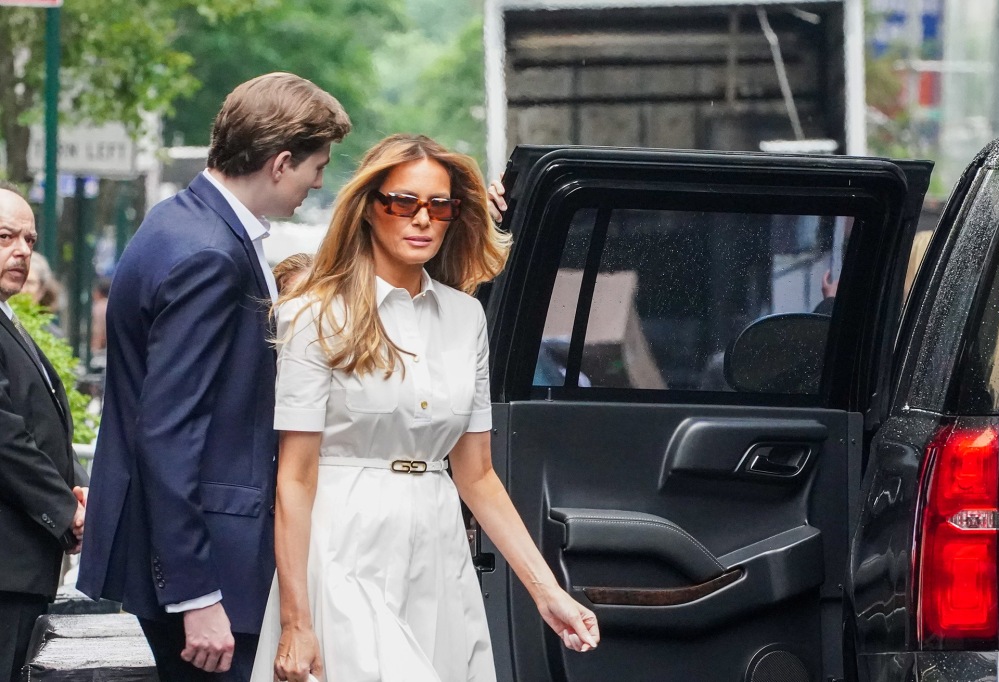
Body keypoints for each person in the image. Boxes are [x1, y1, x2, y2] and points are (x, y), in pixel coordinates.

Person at [252, 134, 599, 682]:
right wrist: (297, 620)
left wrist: (547, 591)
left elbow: (478, 475)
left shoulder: (465, 319)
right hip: (342, 545)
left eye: (440, 205)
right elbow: (293, 479)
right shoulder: (315, 314)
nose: (422, 219)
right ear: (369, 208)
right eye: (402, 202)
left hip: (438, 547)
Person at [77, 72, 352, 682]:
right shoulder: (209, 253)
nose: (319, 183)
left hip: (193, 549)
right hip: (207, 565)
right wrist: (196, 595)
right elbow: (169, 430)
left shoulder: (177, 221)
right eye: (317, 166)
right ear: (282, 162)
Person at [0, 185, 86, 682]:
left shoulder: (10, 318)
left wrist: (76, 487)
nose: (22, 251)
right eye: (6, 236)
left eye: (29, 239)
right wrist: (65, 509)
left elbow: (40, 423)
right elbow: (6, 438)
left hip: (21, 564)